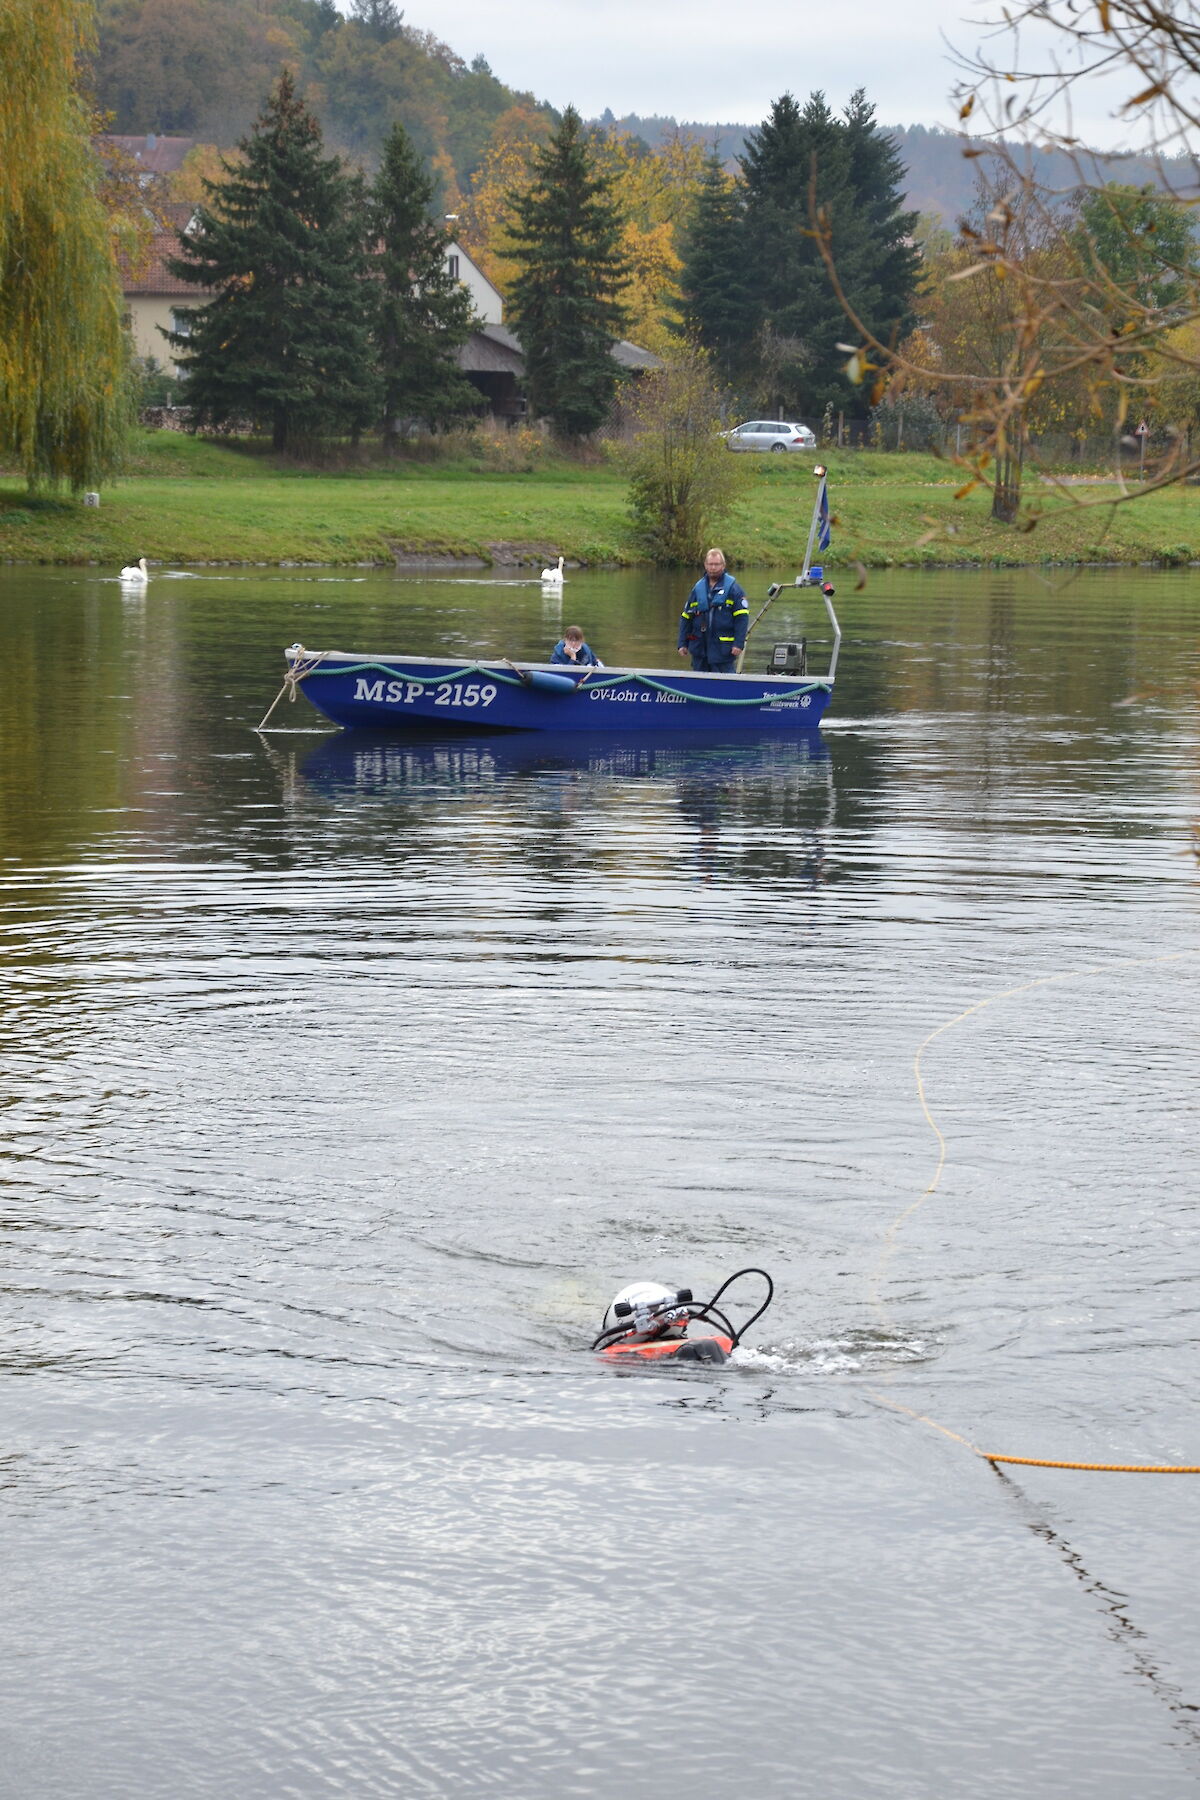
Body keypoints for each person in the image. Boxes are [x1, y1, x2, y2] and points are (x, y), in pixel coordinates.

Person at [677, 548, 749, 672]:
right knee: (698, 685)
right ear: (705, 565)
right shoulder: (697, 590)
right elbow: (686, 618)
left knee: (726, 685)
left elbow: (742, 619)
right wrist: (682, 643)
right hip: (699, 649)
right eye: (710, 564)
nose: (713, 568)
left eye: (716, 564)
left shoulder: (734, 590)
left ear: (723, 565)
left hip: (723, 650)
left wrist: (738, 644)